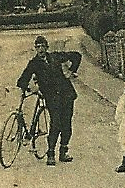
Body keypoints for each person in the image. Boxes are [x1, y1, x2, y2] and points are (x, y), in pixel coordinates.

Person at [16, 35, 82, 165]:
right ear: (35, 48)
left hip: (67, 94)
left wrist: (71, 71)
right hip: (52, 97)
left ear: (47, 47)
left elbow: (76, 56)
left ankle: (63, 151)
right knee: (55, 123)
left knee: (67, 123)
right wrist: (31, 88)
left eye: (42, 46)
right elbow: (22, 80)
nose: (40, 49)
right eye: (38, 46)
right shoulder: (34, 63)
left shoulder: (56, 56)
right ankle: (50, 153)